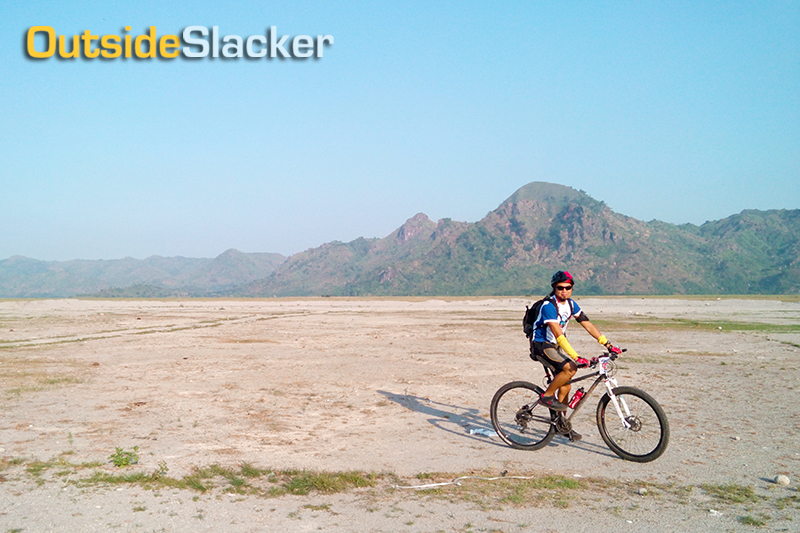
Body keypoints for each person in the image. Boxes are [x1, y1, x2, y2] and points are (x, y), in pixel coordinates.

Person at [530, 270, 621, 442]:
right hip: (541, 345)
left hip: (555, 346)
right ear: (554, 288)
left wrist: (607, 344)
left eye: (568, 287)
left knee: (566, 386)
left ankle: (560, 424)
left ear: (572, 288)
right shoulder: (549, 306)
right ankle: (547, 396)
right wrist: (576, 356)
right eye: (560, 288)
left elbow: (587, 325)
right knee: (570, 367)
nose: (564, 291)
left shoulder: (572, 305)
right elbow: (558, 334)